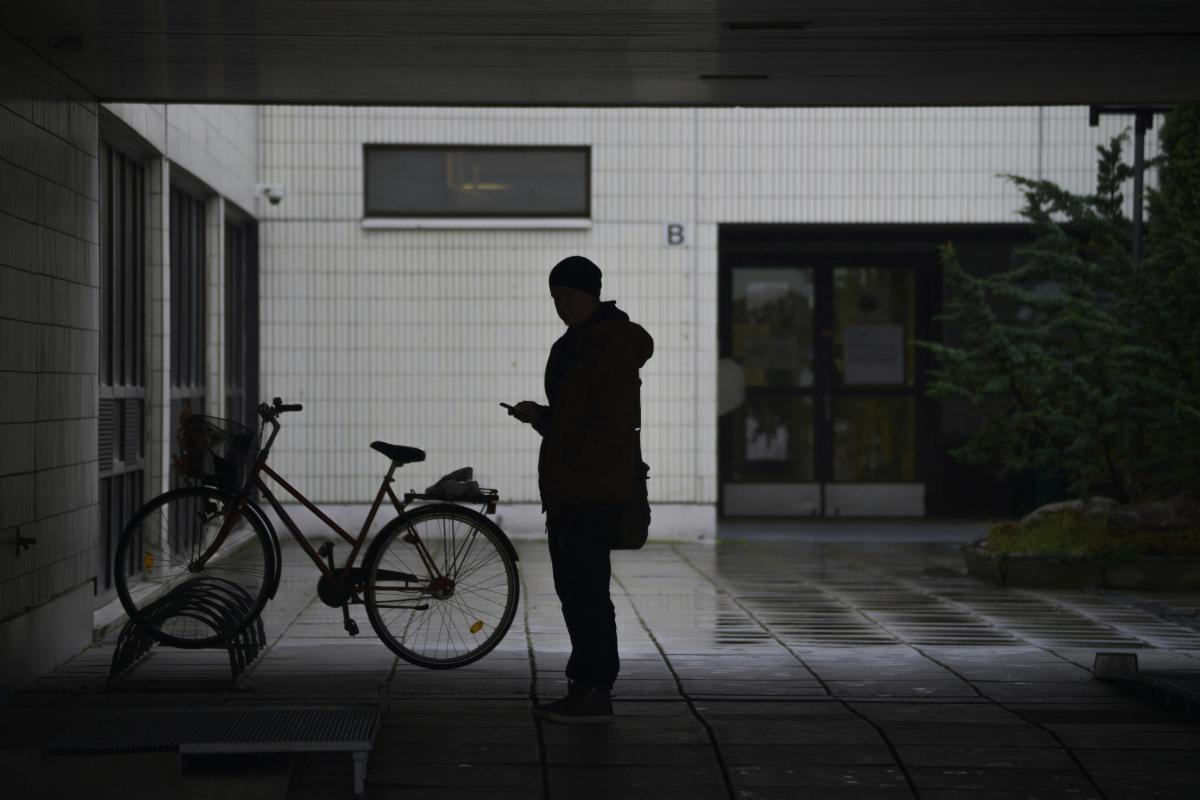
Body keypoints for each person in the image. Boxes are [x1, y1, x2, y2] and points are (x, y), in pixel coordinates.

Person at [505, 255, 654, 724]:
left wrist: (571, 467)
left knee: (586, 594)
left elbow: (611, 427)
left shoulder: (608, 346)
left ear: (591, 293)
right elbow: (577, 421)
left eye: (567, 296)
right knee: (577, 592)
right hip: (575, 489)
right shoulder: (577, 344)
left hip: (589, 492)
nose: (560, 305)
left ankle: (594, 690)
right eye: (554, 298)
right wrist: (542, 417)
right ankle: (585, 686)